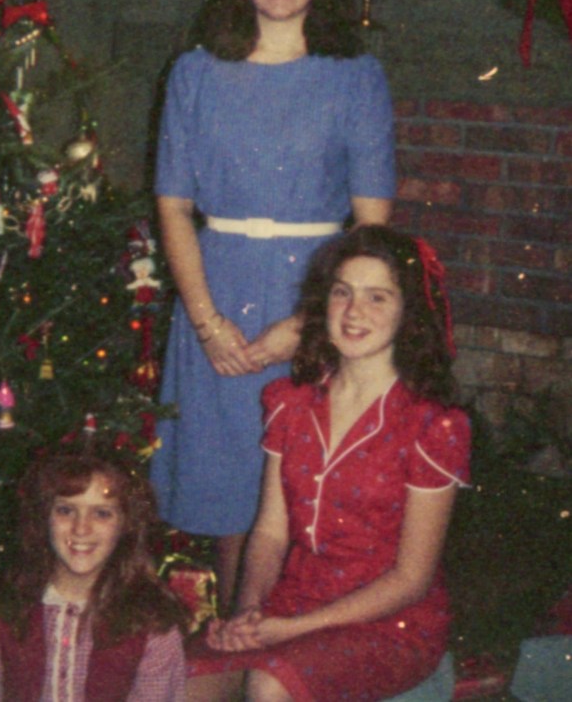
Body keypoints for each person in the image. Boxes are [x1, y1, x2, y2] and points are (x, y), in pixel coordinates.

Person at [151, 0, 396, 610]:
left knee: (304, 487)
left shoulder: (355, 77)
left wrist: (310, 323)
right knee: (232, 490)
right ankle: (238, 635)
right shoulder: (194, 74)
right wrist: (207, 323)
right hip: (217, 292)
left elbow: (371, 228)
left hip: (322, 301)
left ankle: (297, 651)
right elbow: (172, 206)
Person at [196, 225, 470, 702]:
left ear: (409, 314)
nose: (354, 311)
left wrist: (291, 629)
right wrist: (250, 614)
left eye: (377, 297)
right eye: (342, 292)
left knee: (269, 685)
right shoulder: (291, 403)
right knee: (176, 678)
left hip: (388, 621)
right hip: (293, 600)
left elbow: (412, 578)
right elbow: (270, 532)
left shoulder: (431, 426)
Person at [0, 446, 189, 701]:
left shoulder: (151, 624)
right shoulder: (1, 614)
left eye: (102, 513)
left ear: (126, 524)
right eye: (66, 510)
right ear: (44, 518)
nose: (81, 528)